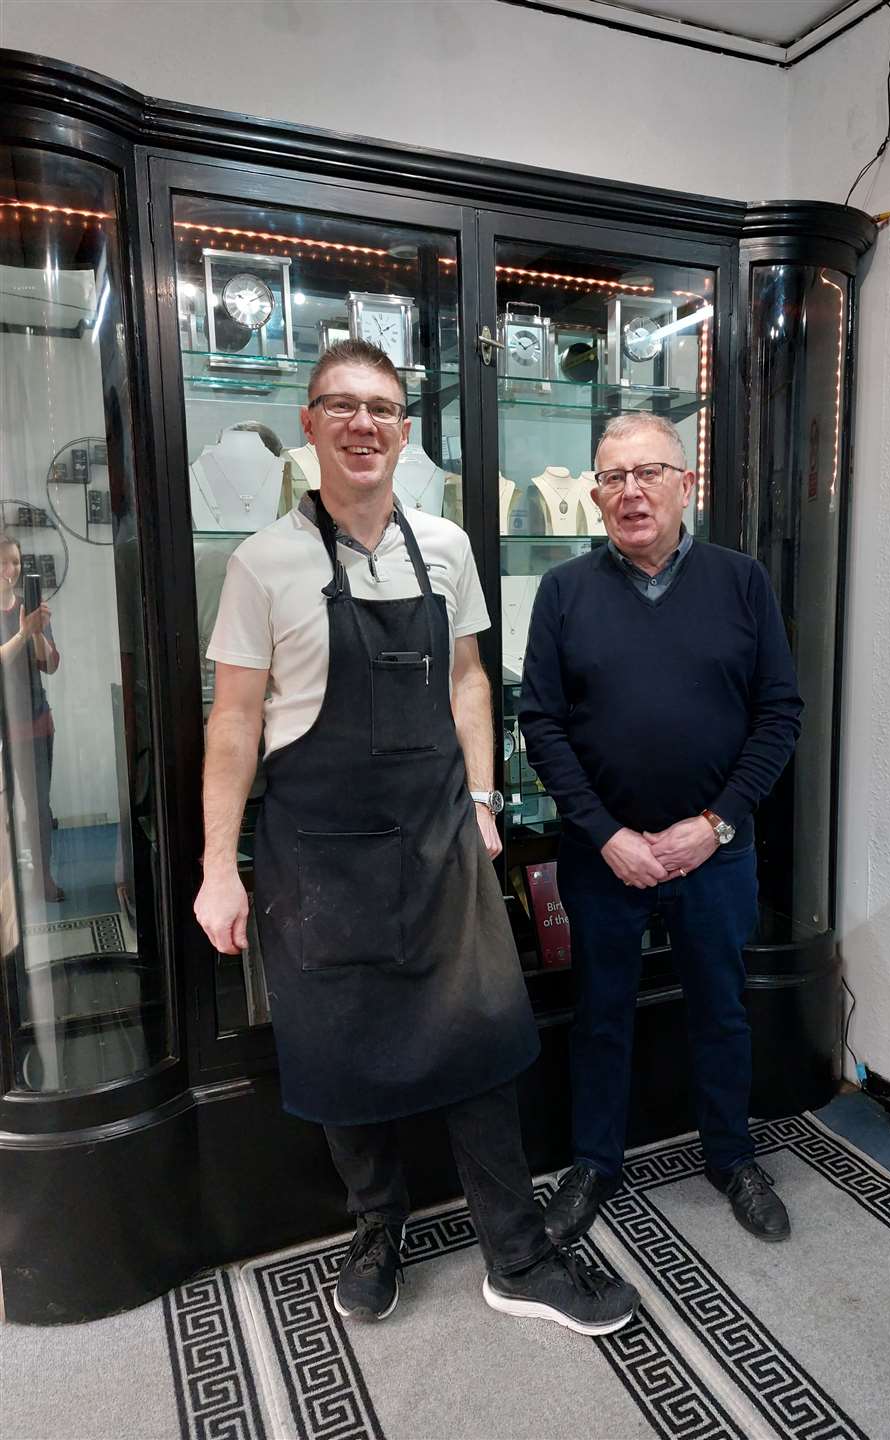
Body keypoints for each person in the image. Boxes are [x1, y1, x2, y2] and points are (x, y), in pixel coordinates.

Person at [193, 339, 637, 1335]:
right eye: (341, 406)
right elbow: (231, 723)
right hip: (319, 855)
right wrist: (218, 867)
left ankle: (517, 1255)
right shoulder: (262, 563)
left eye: (383, 408)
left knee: (483, 1043)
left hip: (440, 841)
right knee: (340, 1055)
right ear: (309, 425)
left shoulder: (446, 546)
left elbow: (469, 679)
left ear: (404, 429)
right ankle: (374, 1231)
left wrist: (483, 800)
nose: (364, 424)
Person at [518, 413, 803, 1248]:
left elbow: (779, 714)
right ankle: (595, 1163)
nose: (630, 491)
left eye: (649, 473)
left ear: (688, 485)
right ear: (594, 493)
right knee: (601, 1013)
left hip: (715, 854)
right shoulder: (564, 591)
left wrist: (714, 825)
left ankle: (732, 1156)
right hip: (601, 857)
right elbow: (541, 724)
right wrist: (607, 835)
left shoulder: (741, 582)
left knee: (721, 1009)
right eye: (612, 477)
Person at [0, 533, 63, 903]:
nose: (10, 570)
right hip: (4, 730)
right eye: (4, 562)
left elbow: (50, 664)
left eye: (16, 563)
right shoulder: (21, 620)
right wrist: (24, 633)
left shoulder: (31, 609)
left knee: (39, 808)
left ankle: (43, 879)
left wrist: (36, 633)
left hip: (36, 725)